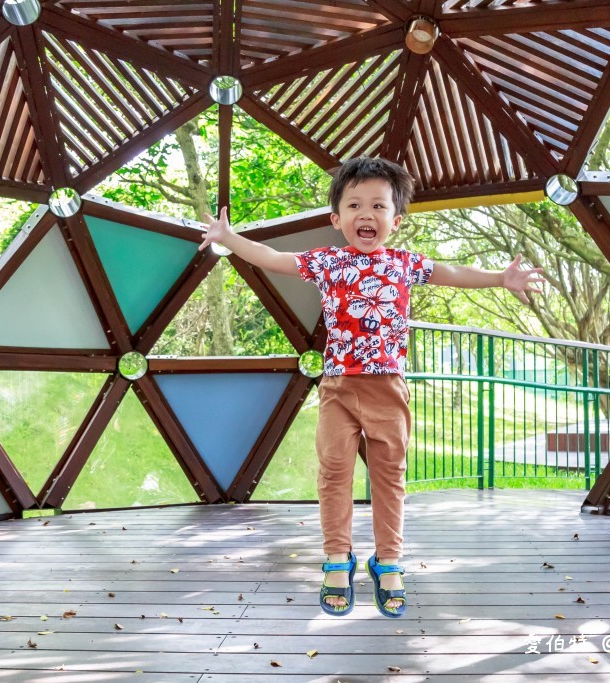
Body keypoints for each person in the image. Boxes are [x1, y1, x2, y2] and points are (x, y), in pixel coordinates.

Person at [199, 157, 543, 618]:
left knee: (388, 477)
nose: (367, 214)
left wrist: (500, 278)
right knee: (334, 472)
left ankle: (388, 560)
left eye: (378, 206)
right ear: (336, 219)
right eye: (355, 204)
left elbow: (453, 273)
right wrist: (229, 239)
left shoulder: (404, 264)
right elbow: (275, 259)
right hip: (339, 387)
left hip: (388, 388)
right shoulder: (328, 261)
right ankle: (337, 558)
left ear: (395, 221)